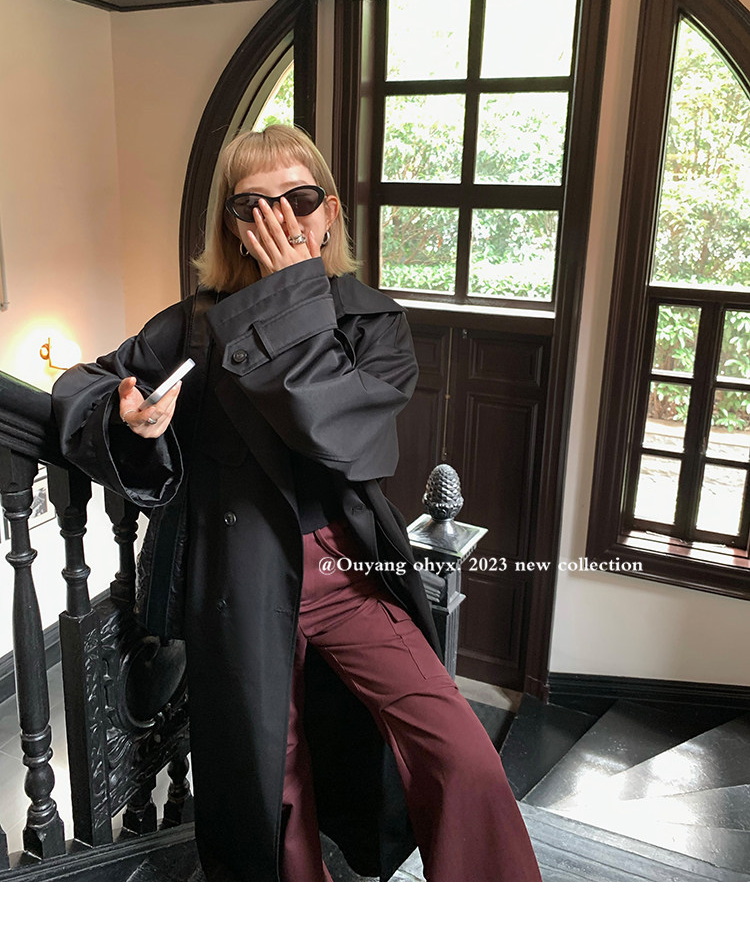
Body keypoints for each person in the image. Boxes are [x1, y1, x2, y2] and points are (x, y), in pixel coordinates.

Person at [51, 124, 541, 883]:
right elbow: (84, 383)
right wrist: (130, 415)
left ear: (330, 212)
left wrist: (290, 299)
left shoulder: (370, 320)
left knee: (459, 750)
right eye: (253, 206)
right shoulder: (195, 324)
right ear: (233, 227)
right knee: (271, 784)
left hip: (348, 571)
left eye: (299, 199)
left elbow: (347, 437)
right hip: (238, 578)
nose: (279, 221)